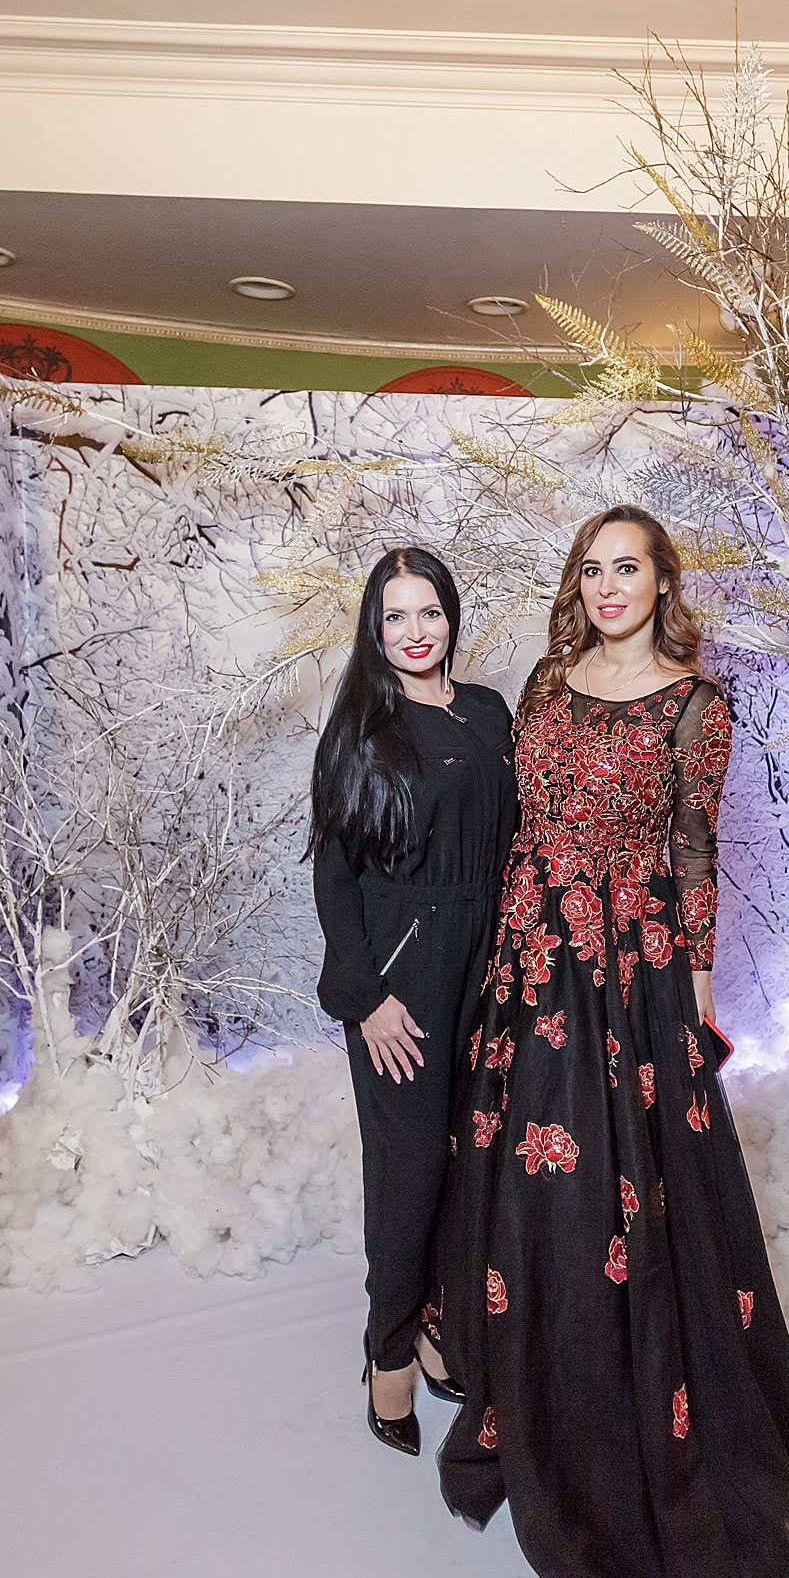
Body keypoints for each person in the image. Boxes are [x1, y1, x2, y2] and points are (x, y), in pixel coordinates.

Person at [426, 506, 789, 1578]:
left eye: (629, 566)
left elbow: (693, 849)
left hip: (630, 974)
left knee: (636, 1200)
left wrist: (694, 1002)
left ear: (663, 580)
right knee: (536, 1193)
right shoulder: (545, 683)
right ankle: (546, 1404)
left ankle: (634, 1421)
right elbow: (517, 830)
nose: (608, 584)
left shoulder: (697, 704)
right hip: (529, 964)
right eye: (592, 567)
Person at [310, 548, 518, 1456]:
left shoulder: (488, 711)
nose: (414, 631)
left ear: (451, 615)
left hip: (490, 962)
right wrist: (367, 1000)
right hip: (406, 975)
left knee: (471, 1164)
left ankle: (438, 1329)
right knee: (410, 1172)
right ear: (374, 628)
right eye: (394, 616)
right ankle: (387, 1353)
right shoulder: (363, 728)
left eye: (428, 611)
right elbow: (334, 875)